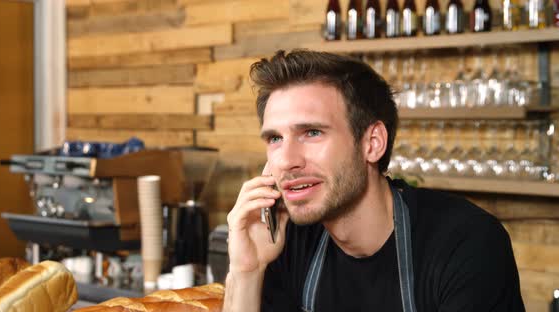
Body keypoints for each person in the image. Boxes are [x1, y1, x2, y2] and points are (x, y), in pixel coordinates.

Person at [223, 50, 525, 312]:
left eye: (312, 133)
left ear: (373, 143)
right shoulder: (287, 239)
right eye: (275, 138)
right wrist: (247, 270)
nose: (287, 160)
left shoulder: (465, 243)